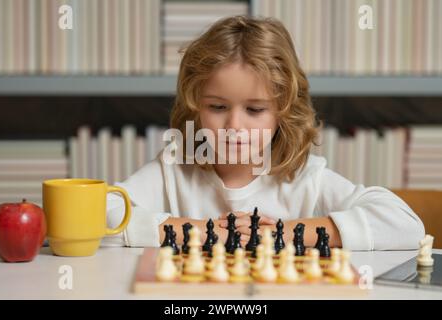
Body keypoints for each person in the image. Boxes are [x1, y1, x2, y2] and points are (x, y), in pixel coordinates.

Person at [105, 16, 424, 250]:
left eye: (255, 110)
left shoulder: (304, 178)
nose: (234, 127)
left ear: (283, 113)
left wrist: (286, 232)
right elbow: (101, 211)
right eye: (217, 107)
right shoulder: (173, 168)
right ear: (194, 108)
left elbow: (404, 225)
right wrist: (197, 231)